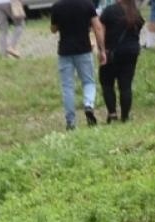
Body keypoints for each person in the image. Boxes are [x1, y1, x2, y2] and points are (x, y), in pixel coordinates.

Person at [50, 0, 105, 129]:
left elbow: (53, 29)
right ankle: (88, 105)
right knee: (88, 82)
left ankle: (71, 121)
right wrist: (102, 49)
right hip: (84, 49)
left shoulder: (57, 6)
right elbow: (97, 27)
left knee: (67, 86)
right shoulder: (87, 4)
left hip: (64, 50)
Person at [98, 0, 142, 122]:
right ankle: (125, 116)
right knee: (126, 85)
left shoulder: (109, 11)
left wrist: (101, 49)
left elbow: (101, 31)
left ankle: (112, 114)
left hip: (111, 52)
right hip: (131, 52)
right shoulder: (136, 13)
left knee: (107, 83)